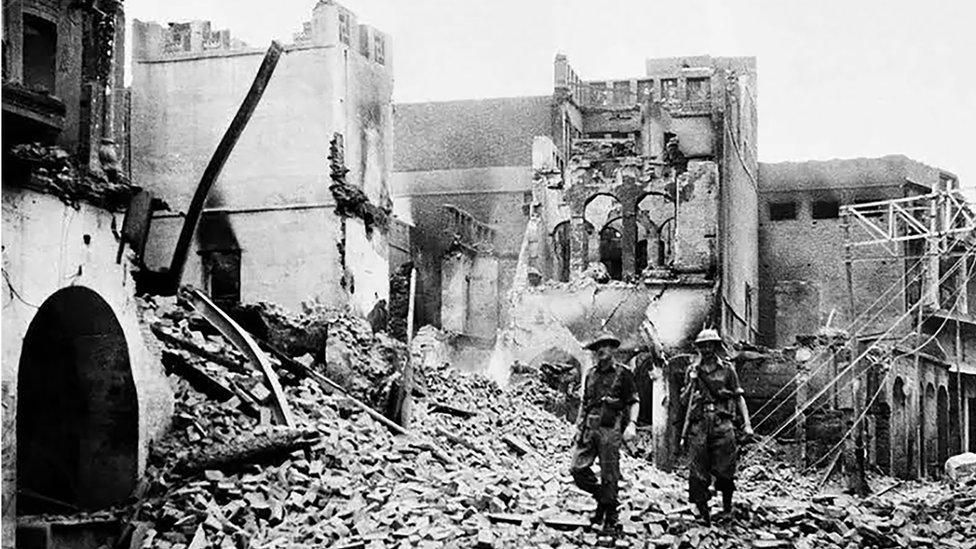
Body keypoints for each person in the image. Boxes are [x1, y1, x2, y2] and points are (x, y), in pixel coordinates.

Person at [682, 328, 754, 525]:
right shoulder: (692, 370)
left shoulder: (728, 369)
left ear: (715, 346)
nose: (706, 349)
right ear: (698, 348)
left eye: (709, 345)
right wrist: (692, 383)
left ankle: (727, 509)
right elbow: (683, 401)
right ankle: (704, 514)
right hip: (699, 423)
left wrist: (747, 424)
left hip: (722, 421)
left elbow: (739, 397)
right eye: (702, 346)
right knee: (698, 469)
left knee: (726, 467)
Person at [569, 331, 639, 533]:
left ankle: (609, 515)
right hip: (590, 426)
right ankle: (603, 498)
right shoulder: (590, 374)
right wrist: (578, 427)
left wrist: (632, 424)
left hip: (610, 427)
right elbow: (584, 403)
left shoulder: (623, 373)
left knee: (610, 473)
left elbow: (634, 401)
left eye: (605, 345)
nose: (601, 349)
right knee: (577, 469)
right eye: (597, 346)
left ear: (612, 348)